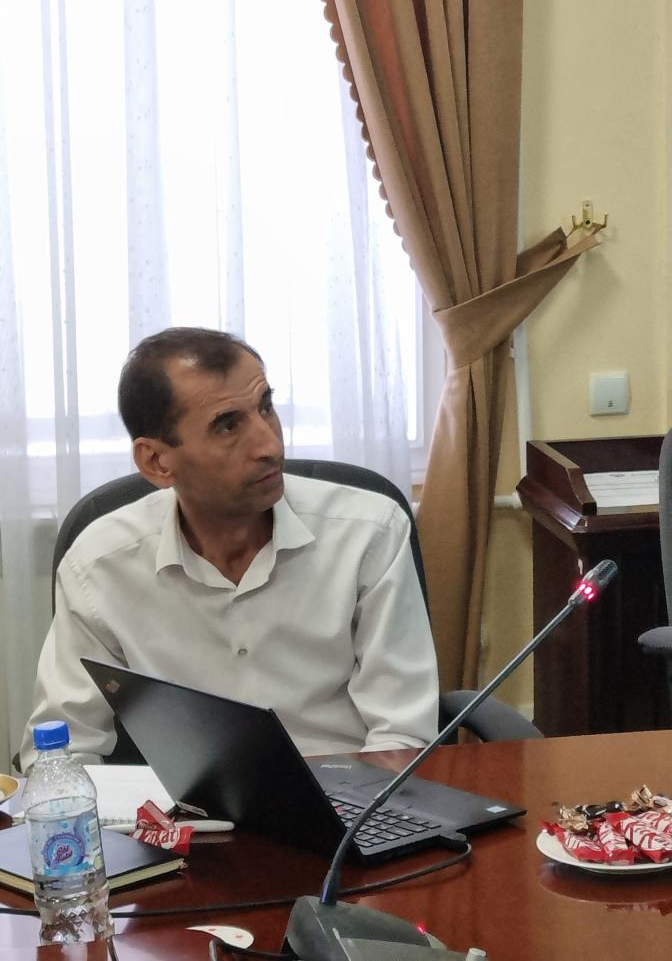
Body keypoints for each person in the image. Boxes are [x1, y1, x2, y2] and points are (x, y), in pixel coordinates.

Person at [21, 328, 437, 772]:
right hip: (182, 824)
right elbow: (61, 752)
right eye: (228, 425)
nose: (271, 446)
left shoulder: (368, 532)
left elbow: (403, 734)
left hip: (350, 808)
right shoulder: (99, 565)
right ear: (157, 462)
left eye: (266, 408)